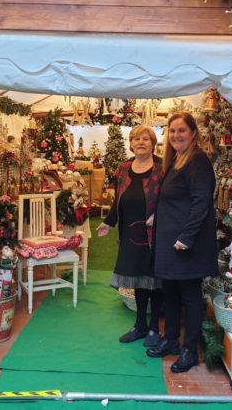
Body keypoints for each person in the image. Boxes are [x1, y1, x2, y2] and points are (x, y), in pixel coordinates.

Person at [146, 112, 217, 374]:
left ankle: (190, 350)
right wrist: (157, 215)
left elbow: (201, 202)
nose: (176, 135)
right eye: (172, 131)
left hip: (186, 244)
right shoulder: (177, 160)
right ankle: (172, 340)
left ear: (193, 133)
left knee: (190, 296)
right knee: (171, 293)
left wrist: (186, 237)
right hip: (169, 241)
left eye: (181, 131)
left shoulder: (197, 161)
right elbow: (175, 198)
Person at [97, 125, 165, 347]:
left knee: (154, 280)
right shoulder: (124, 168)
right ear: (131, 143)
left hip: (155, 234)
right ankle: (140, 326)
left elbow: (170, 200)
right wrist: (109, 222)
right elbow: (118, 200)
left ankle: (154, 327)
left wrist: (160, 216)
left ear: (153, 143)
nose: (141, 142)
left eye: (146, 138)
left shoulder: (162, 167)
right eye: (137, 139)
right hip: (130, 234)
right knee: (137, 279)